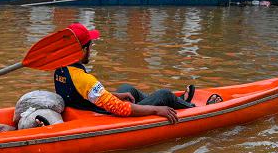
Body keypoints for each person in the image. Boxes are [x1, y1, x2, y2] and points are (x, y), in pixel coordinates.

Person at [54, 23, 209, 125]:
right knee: (164, 95)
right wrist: (156, 110)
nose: (91, 50)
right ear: (82, 50)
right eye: (90, 46)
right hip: (108, 117)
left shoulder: (60, 70)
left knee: (128, 89)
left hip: (88, 109)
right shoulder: (84, 78)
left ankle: (179, 101)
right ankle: (195, 109)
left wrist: (117, 95)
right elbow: (121, 109)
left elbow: (84, 95)